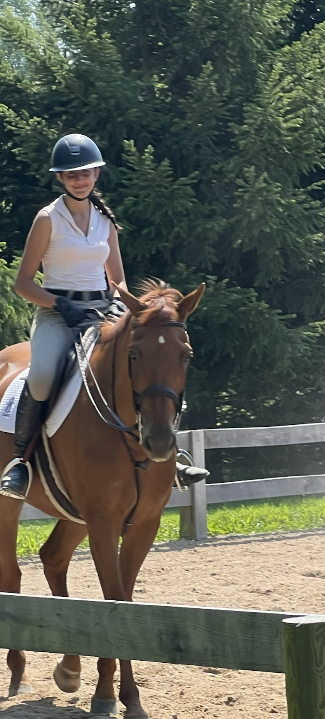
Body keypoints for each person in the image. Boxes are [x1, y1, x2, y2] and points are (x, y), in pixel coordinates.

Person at [1, 134, 208, 499]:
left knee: (151, 365)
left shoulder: (105, 221)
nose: (79, 180)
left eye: (85, 173)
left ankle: (167, 454)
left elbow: (118, 277)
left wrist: (117, 303)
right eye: (70, 175)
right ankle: (21, 461)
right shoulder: (47, 219)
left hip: (102, 311)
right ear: (61, 179)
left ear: (96, 173)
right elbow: (22, 284)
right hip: (57, 314)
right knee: (44, 375)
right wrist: (58, 304)